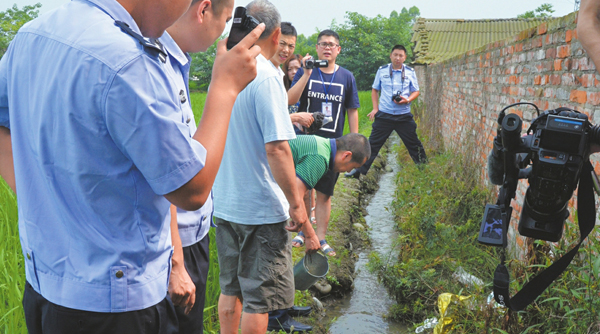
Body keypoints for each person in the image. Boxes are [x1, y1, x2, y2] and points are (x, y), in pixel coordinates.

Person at [0, 0, 264, 332]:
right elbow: (192, 188)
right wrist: (224, 88)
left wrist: (36, 195)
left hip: (44, 286)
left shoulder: (32, 34)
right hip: (115, 302)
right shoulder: (127, 61)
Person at [211, 1, 319, 333]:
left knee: (230, 289)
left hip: (225, 204)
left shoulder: (225, 67)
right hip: (259, 210)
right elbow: (277, 149)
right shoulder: (266, 75)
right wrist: (297, 205)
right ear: (275, 34)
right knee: (259, 300)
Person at [159, 0, 234, 332]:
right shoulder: (151, 63)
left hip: (194, 233)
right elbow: (180, 180)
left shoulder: (179, 62)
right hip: (177, 244)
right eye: (227, 19)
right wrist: (225, 85)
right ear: (204, 10)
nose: (225, 31)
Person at [266, 133, 371, 333]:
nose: (350, 171)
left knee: (283, 253)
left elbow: (301, 192)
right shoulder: (320, 157)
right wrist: (310, 235)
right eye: (353, 167)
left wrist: (303, 224)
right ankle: (276, 317)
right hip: (260, 194)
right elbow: (296, 198)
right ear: (346, 156)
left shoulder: (321, 146)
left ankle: (283, 308)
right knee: (275, 256)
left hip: (268, 190)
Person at [288, 29, 360, 256]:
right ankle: (302, 230)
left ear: (338, 50)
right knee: (304, 187)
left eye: (331, 44)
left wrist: (354, 141)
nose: (327, 48)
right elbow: (291, 99)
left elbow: (352, 109)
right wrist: (305, 73)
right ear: (317, 48)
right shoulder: (306, 72)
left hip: (333, 146)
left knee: (325, 193)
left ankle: (321, 236)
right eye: (323, 44)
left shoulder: (346, 77)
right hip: (306, 141)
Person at [345, 44, 427, 180]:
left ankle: (423, 168)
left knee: (413, 143)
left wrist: (407, 100)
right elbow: (374, 90)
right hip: (384, 115)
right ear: (391, 56)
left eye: (401, 55)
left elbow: (416, 91)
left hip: (403, 116)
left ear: (405, 57)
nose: (398, 58)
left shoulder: (410, 72)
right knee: (372, 144)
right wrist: (375, 108)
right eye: (395, 55)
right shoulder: (382, 71)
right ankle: (358, 171)